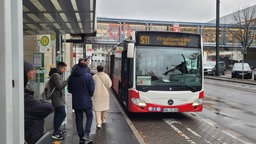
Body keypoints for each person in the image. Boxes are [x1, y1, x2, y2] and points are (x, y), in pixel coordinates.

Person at [24, 61, 53, 144]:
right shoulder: (24, 95)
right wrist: (41, 102)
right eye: (31, 70)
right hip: (30, 134)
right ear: (25, 72)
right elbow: (48, 108)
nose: (34, 71)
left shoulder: (26, 87)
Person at [68, 61, 95, 144]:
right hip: (86, 100)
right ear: (84, 68)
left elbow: (70, 90)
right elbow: (91, 90)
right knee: (89, 116)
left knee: (79, 119)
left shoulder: (71, 77)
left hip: (76, 101)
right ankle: (87, 133)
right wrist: (88, 95)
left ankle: (81, 138)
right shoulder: (88, 76)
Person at [49, 62, 68, 140]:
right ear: (59, 67)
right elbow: (60, 86)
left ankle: (56, 131)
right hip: (57, 99)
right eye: (63, 68)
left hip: (58, 98)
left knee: (57, 115)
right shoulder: (56, 76)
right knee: (63, 114)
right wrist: (67, 81)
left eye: (65, 69)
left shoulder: (57, 75)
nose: (64, 70)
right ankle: (56, 132)